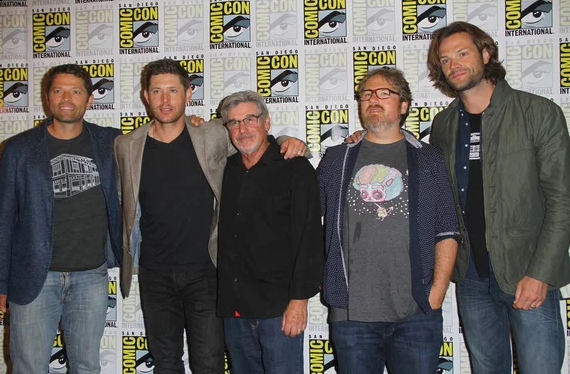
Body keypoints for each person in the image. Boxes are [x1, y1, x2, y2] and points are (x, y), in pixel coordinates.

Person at [113, 58, 307, 373]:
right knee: (164, 363)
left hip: (206, 272)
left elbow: (254, 138)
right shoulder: (126, 145)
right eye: (157, 91)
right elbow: (124, 202)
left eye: (173, 90)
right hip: (154, 273)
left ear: (188, 94)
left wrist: (288, 142)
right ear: (145, 96)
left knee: (209, 364)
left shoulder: (212, 133)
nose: (165, 100)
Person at [427, 21, 570, 373]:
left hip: (527, 272)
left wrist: (541, 274)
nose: (454, 65)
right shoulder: (443, 126)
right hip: (471, 279)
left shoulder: (537, 112)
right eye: (445, 60)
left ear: (486, 54)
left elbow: (562, 200)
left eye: (463, 54)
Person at [317, 67, 459, 374]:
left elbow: (447, 228)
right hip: (352, 314)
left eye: (384, 93)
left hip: (416, 312)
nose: (373, 99)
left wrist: (436, 293)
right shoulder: (337, 159)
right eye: (366, 94)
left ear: (404, 105)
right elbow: (306, 219)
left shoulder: (429, 158)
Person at [0, 64, 122, 373]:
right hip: (33, 277)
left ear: (89, 99)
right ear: (47, 98)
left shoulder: (112, 141)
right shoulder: (18, 149)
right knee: (29, 367)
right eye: (58, 91)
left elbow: (159, 139)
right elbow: (2, 220)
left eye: (76, 91)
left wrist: (194, 125)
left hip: (91, 276)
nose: (66, 98)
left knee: (86, 367)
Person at [216, 91, 323, 374]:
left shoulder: (295, 168)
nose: (242, 129)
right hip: (235, 308)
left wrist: (299, 302)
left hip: (280, 309)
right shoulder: (226, 170)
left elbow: (310, 239)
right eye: (234, 123)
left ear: (266, 122)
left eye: (250, 119)